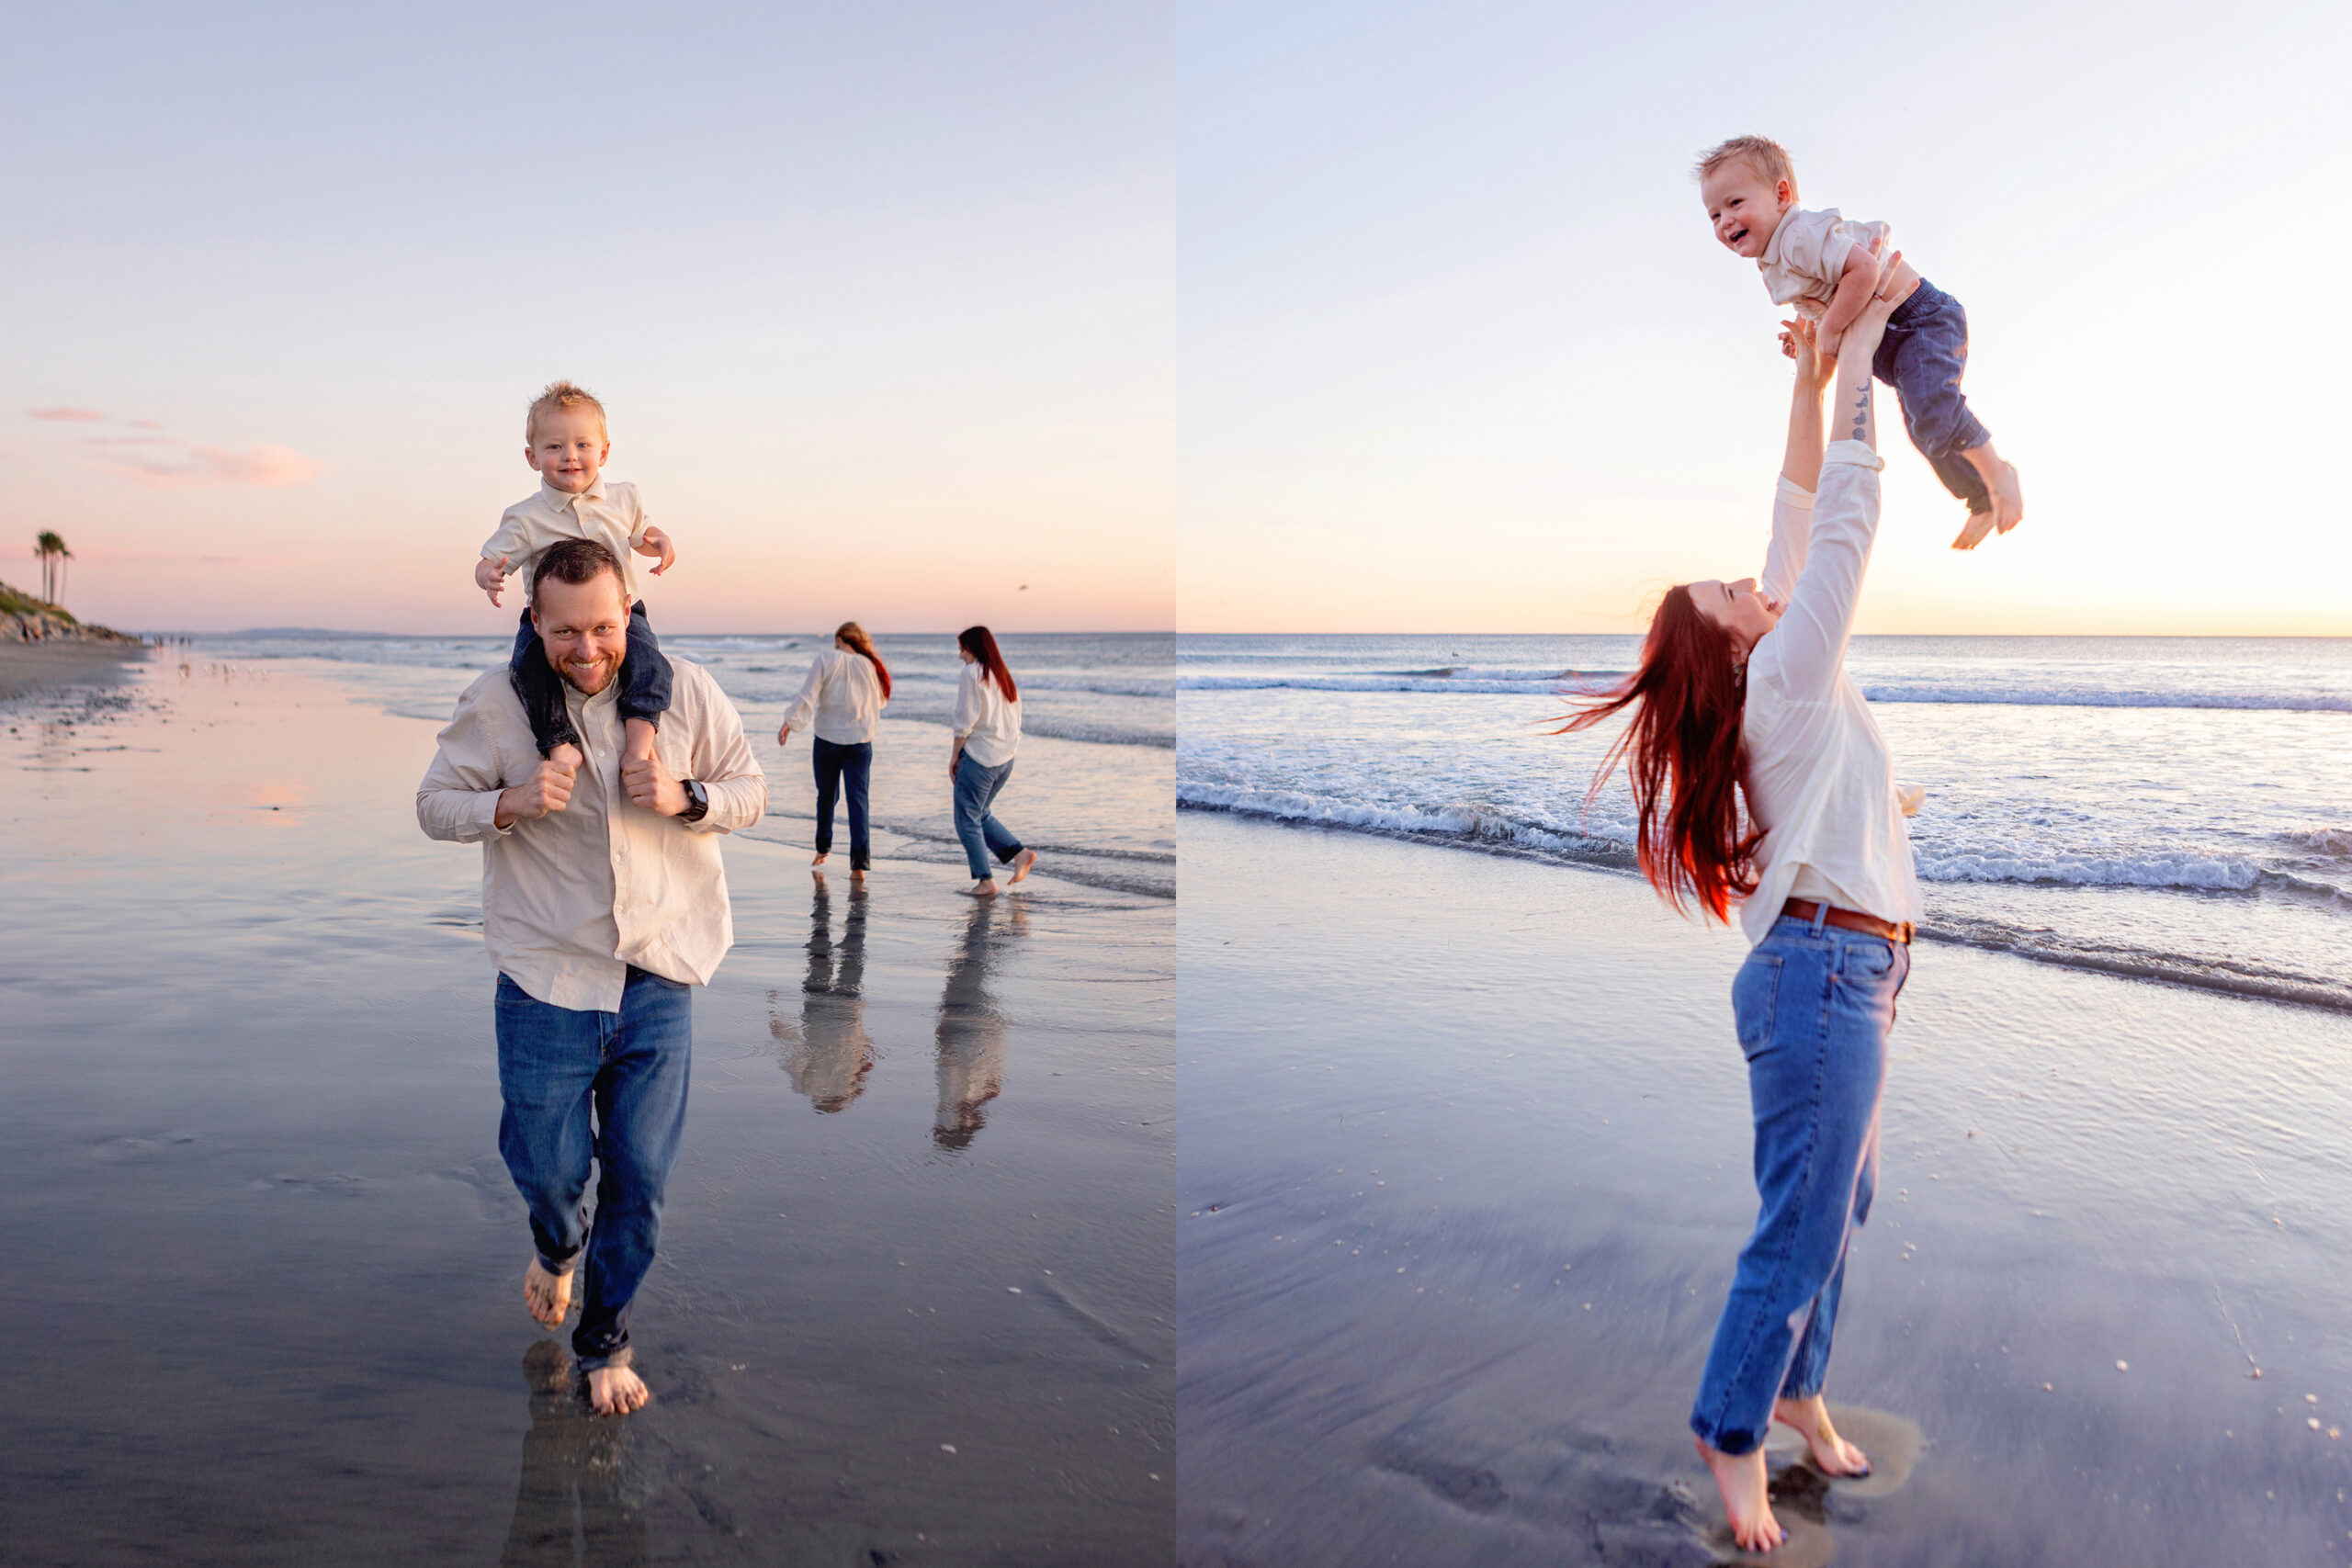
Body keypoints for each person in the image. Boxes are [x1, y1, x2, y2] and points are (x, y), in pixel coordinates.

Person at [1560, 249, 1919, 1553]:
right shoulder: (1786, 673)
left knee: (1842, 1204)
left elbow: (1792, 503)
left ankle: (1801, 1386)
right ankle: (1730, 1431)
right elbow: (1842, 524)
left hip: (1857, 967)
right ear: (1733, 644)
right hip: (1822, 975)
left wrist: (1815, 375)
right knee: (1802, 1218)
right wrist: (1872, 356)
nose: (1749, 580)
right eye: (1731, 593)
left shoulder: (1770, 674)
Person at [418, 537, 767, 1416]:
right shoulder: (496, 702)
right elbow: (433, 803)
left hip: (659, 973)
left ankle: (606, 1335)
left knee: (642, 1178)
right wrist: (508, 801)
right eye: (566, 629)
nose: (587, 648)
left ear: (629, 614)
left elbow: (750, 789)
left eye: (604, 627)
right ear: (534, 621)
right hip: (546, 977)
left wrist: (689, 797)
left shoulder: (683, 689)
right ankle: (556, 1246)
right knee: (547, 1165)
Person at [1697, 134, 2024, 549]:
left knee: (1933, 413)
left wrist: (1831, 330)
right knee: (1925, 429)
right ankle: (1980, 500)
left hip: (1917, 321)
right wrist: (1810, 339)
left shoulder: (1800, 235)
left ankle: (1997, 474)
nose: (1725, 220)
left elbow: (1863, 270)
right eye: (1714, 215)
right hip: (1889, 342)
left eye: (1735, 203)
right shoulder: (1776, 259)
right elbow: (1819, 298)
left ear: (1782, 194)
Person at [474, 380, 680, 773]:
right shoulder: (526, 516)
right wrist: (488, 574)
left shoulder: (624, 497)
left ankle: (639, 742)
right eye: (555, 447)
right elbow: (489, 558)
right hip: (551, 621)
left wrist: (660, 544)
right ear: (532, 457)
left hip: (622, 613)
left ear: (603, 452)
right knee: (528, 670)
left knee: (651, 664)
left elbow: (642, 535)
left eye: (583, 445)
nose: (570, 456)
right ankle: (558, 743)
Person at [775, 622, 890, 879]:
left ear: (839, 638)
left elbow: (808, 694)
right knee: (858, 801)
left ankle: (823, 849)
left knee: (826, 796)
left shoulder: (826, 658)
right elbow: (879, 701)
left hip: (828, 739)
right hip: (861, 741)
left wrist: (790, 723)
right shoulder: (869, 665)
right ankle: (858, 866)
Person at [947, 626, 1038, 897]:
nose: (961, 655)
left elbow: (965, 720)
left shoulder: (972, 673)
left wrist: (954, 755)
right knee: (980, 814)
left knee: (966, 819)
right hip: (1005, 758)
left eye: (963, 649)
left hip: (981, 758)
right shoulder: (1002, 674)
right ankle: (1020, 854)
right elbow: (1017, 716)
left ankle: (985, 881)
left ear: (974, 648)